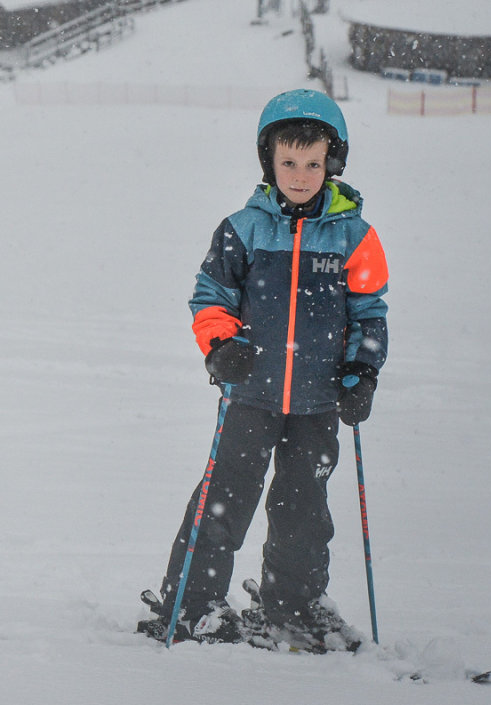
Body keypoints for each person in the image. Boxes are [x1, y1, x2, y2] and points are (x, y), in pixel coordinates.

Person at [138, 89, 388, 648]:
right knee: (224, 498)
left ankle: (294, 606)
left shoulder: (356, 237)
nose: (300, 176)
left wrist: (361, 373)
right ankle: (193, 604)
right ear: (269, 163)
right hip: (250, 392)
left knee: (304, 508)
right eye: (289, 163)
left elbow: (370, 313)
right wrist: (220, 346)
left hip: (319, 401)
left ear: (333, 163)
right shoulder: (242, 229)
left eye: (313, 164)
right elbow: (210, 299)